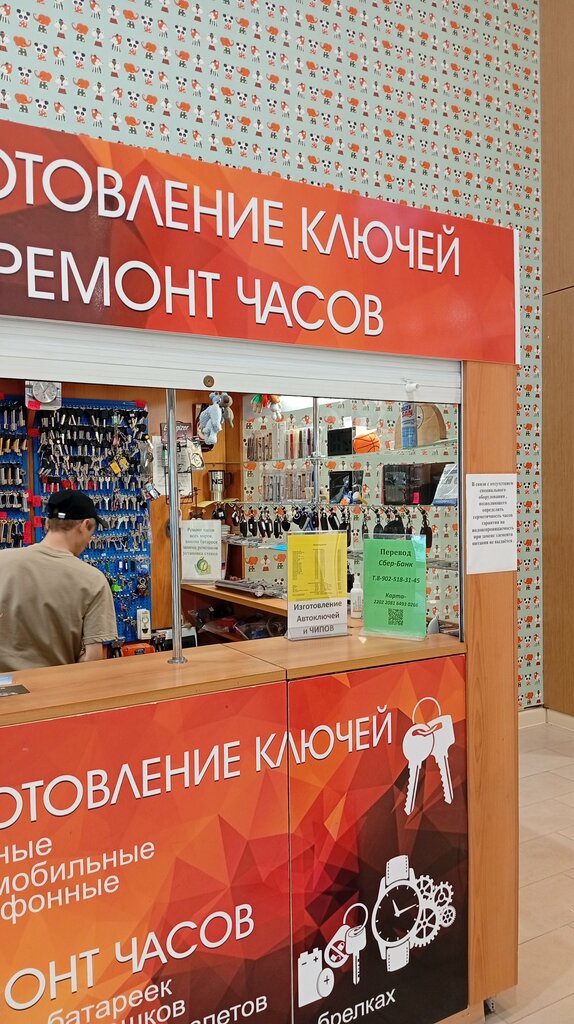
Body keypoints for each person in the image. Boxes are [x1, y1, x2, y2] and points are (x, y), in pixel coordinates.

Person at [0, 490, 118, 672]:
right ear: (85, 525)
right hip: (58, 686)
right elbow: (92, 659)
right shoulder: (93, 580)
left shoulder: (3, 561)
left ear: (47, 524)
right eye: (92, 532)